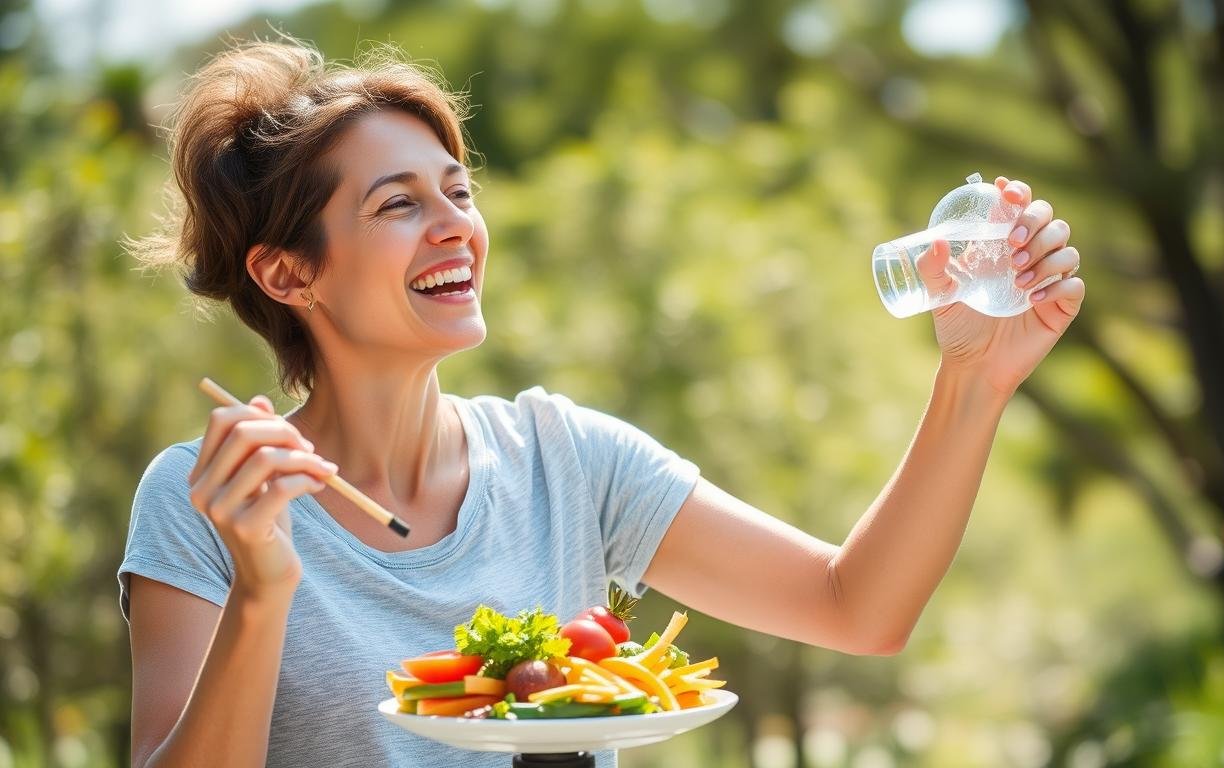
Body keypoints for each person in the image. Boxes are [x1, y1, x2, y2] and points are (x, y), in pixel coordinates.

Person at [118, 38, 1084, 768]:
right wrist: (261, 589)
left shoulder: (561, 459)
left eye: (459, 192)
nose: (456, 227)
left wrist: (975, 377)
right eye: (398, 205)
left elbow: (858, 607)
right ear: (289, 273)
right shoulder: (208, 501)